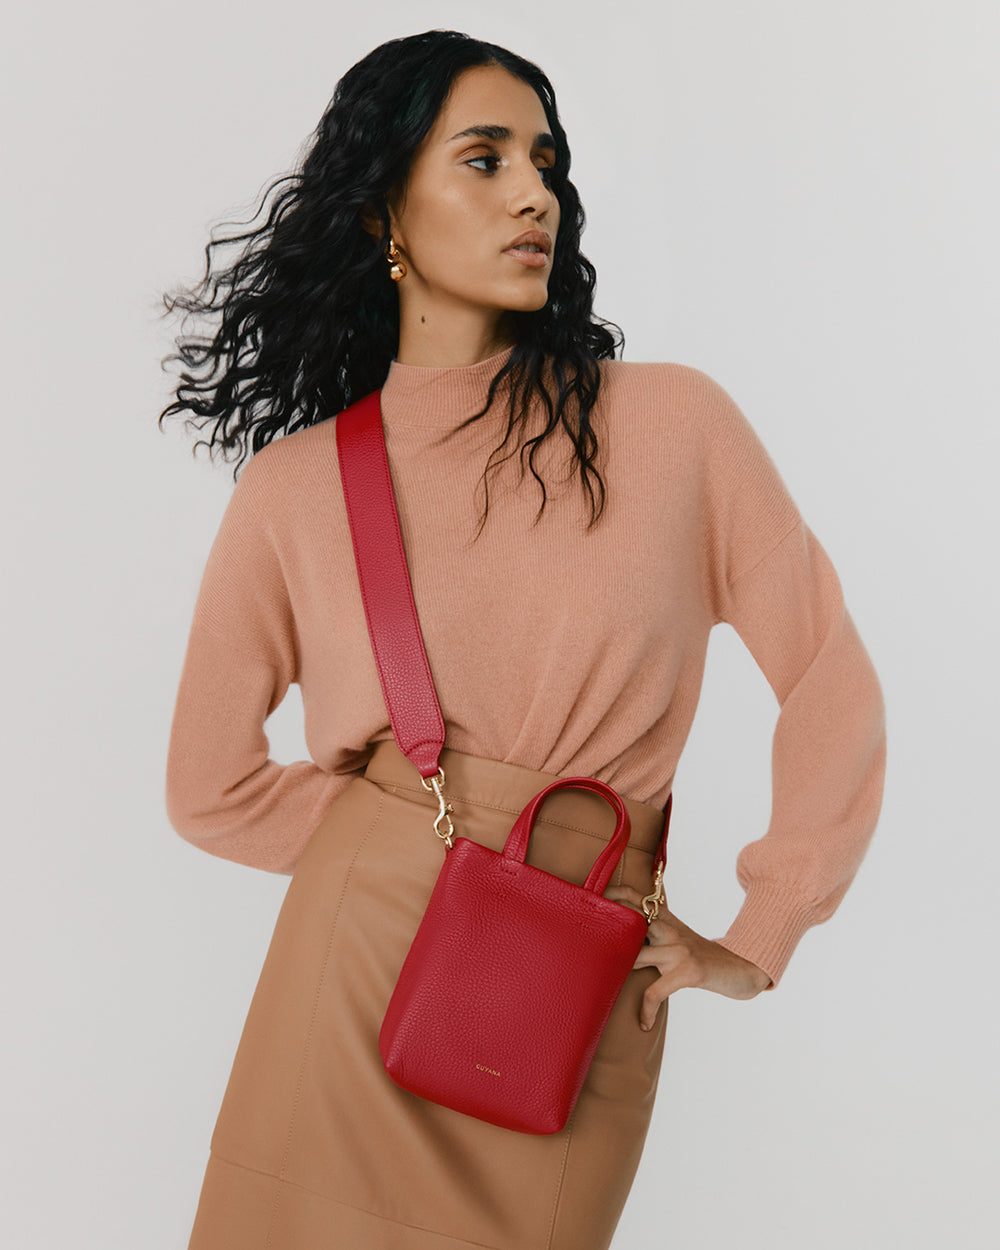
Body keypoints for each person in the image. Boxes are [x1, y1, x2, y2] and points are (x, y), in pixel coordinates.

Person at [160, 28, 886, 1250]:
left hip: (570, 977)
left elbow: (827, 673)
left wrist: (761, 933)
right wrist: (397, 841)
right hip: (349, 983)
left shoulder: (673, 424)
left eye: (544, 162)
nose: (533, 192)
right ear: (386, 209)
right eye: (483, 159)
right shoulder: (291, 490)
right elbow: (206, 787)